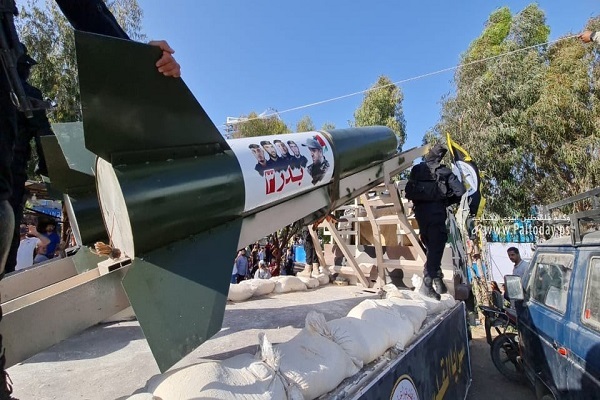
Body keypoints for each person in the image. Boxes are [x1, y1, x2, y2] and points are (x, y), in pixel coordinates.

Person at [405, 143, 466, 300]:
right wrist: (446, 201)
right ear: (440, 158)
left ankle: (438, 281)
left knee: (431, 248)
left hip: (420, 214)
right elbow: (460, 191)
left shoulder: (417, 169)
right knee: (436, 248)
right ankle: (427, 285)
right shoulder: (445, 172)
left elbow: (409, 190)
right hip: (436, 213)